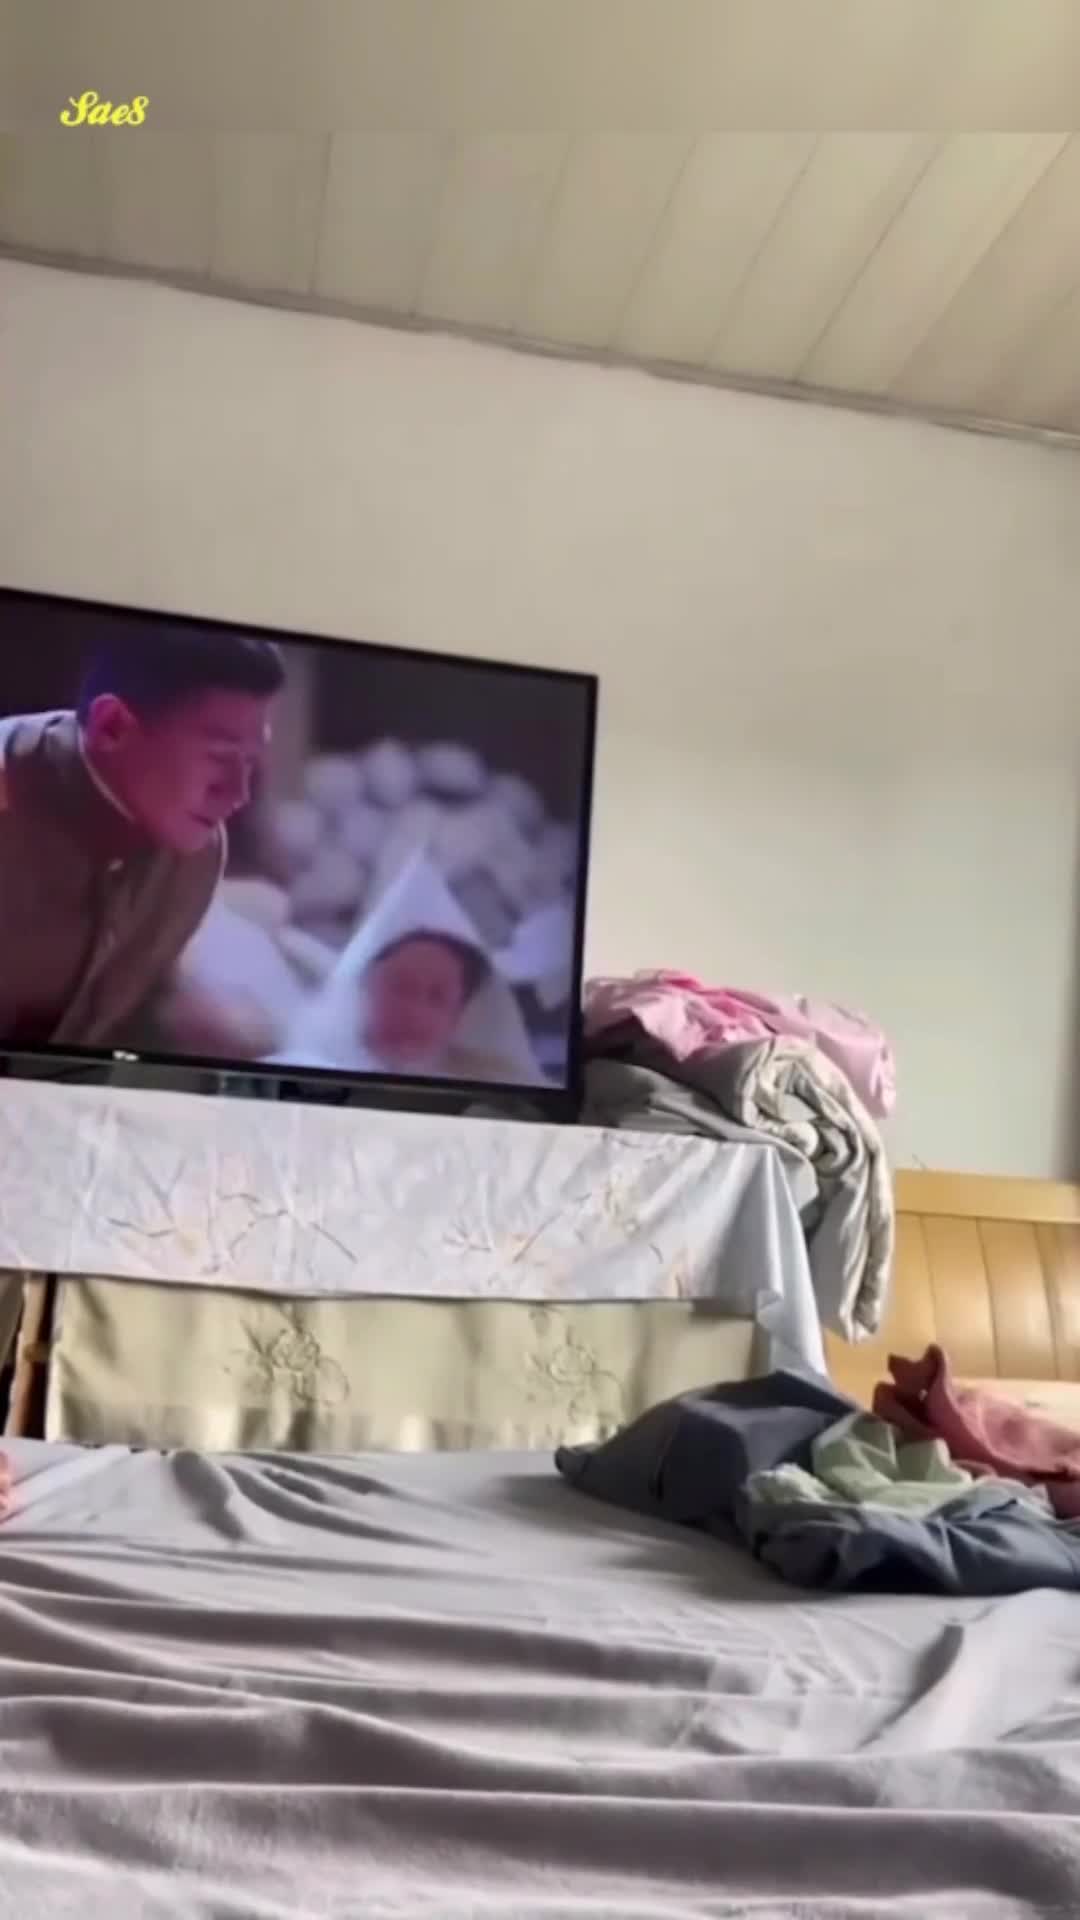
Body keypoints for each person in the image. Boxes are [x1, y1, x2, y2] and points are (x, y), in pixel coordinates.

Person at [0, 626, 285, 1054]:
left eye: (250, 762)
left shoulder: (200, 850)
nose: (237, 794)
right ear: (113, 727)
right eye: (219, 757)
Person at [277, 850, 544, 1085]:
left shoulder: (491, 1087)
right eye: (399, 987)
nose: (413, 1012)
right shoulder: (303, 1064)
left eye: (437, 997)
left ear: (458, 1017)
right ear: (365, 983)